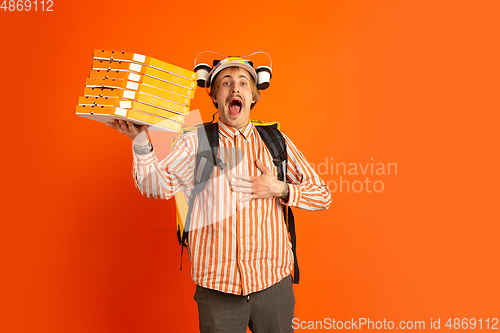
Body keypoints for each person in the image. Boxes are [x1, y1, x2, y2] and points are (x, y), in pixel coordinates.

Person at [107, 56, 332, 333]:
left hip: (273, 285)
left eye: (243, 83)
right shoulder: (196, 142)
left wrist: (280, 188)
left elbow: (323, 195)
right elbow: (157, 187)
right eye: (226, 83)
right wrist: (141, 141)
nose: (234, 88)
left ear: (252, 96)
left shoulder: (276, 142)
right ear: (215, 96)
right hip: (217, 290)